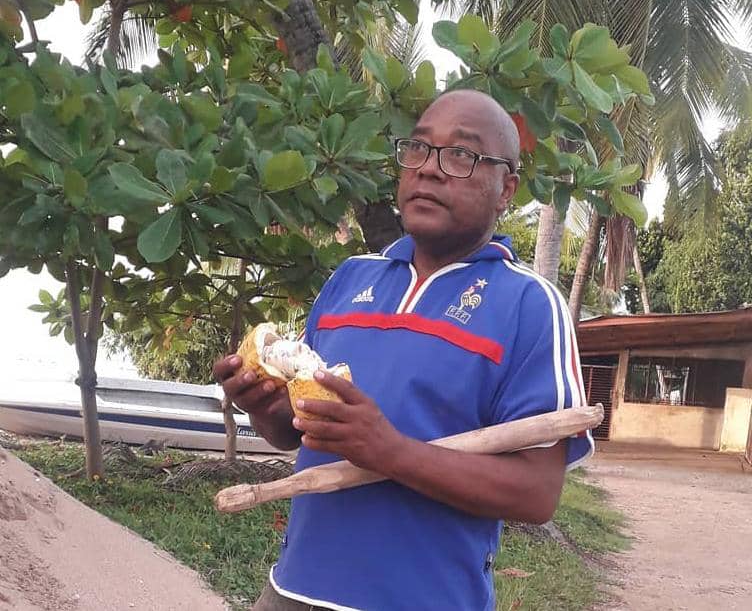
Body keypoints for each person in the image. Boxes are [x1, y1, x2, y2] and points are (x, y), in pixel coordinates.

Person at [214, 89, 594, 611]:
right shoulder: (351, 279)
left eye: (460, 154)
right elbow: (294, 432)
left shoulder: (529, 305)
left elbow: (536, 493)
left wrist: (391, 451)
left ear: (506, 188)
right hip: (292, 592)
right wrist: (264, 406)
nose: (429, 169)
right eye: (418, 148)